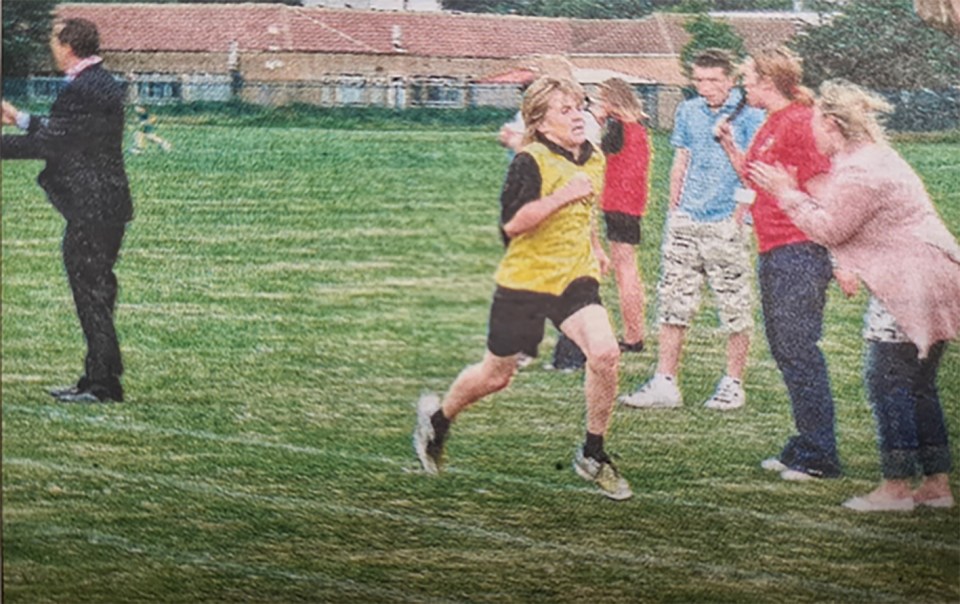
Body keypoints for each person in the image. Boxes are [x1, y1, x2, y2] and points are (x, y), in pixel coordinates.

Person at [414, 76, 631, 500]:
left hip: (574, 276)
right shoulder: (529, 160)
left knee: (605, 353)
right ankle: (438, 421)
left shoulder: (593, 157)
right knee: (497, 376)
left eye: (579, 106)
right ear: (541, 122)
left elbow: (586, 209)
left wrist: (595, 246)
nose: (577, 115)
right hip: (527, 280)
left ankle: (593, 454)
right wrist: (564, 196)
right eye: (565, 110)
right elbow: (513, 225)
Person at [750, 80, 960, 512]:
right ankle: (937, 486)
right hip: (935, 274)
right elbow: (840, 204)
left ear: (831, 123)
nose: (814, 137)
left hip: (908, 282)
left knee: (889, 382)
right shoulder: (873, 158)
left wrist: (786, 193)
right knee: (920, 385)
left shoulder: (862, 169)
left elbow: (830, 229)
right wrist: (797, 189)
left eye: (816, 128)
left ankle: (896, 488)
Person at [715, 47, 840, 480]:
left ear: (769, 80)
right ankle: (806, 443)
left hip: (800, 249)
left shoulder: (800, 121)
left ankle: (821, 453)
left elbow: (825, 187)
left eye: (747, 76)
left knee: (799, 349)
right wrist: (732, 147)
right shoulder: (771, 122)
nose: (742, 84)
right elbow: (755, 181)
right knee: (787, 349)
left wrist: (841, 257)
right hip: (775, 249)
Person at [621, 49, 764, 412]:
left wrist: (739, 217)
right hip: (687, 219)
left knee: (734, 305)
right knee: (673, 303)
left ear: (731, 80)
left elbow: (754, 172)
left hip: (726, 222)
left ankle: (733, 383)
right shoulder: (687, 111)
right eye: (698, 80)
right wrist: (674, 211)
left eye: (713, 80)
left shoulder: (751, 115)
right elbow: (680, 162)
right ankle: (665, 382)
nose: (705, 87)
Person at [1, 18, 133, 403]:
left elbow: (53, 144)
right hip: (105, 207)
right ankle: (100, 375)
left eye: (53, 42)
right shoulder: (98, 83)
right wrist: (20, 119)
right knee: (97, 291)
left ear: (68, 46)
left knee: (91, 293)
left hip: (93, 209)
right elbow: (66, 132)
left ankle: (103, 383)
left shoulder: (84, 89)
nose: (51, 48)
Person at [589, 78, 653, 354]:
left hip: (617, 202)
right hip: (633, 202)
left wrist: (597, 119)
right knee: (629, 267)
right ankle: (635, 331)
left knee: (624, 269)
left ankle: (633, 335)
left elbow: (593, 153)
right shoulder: (639, 127)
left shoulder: (616, 127)